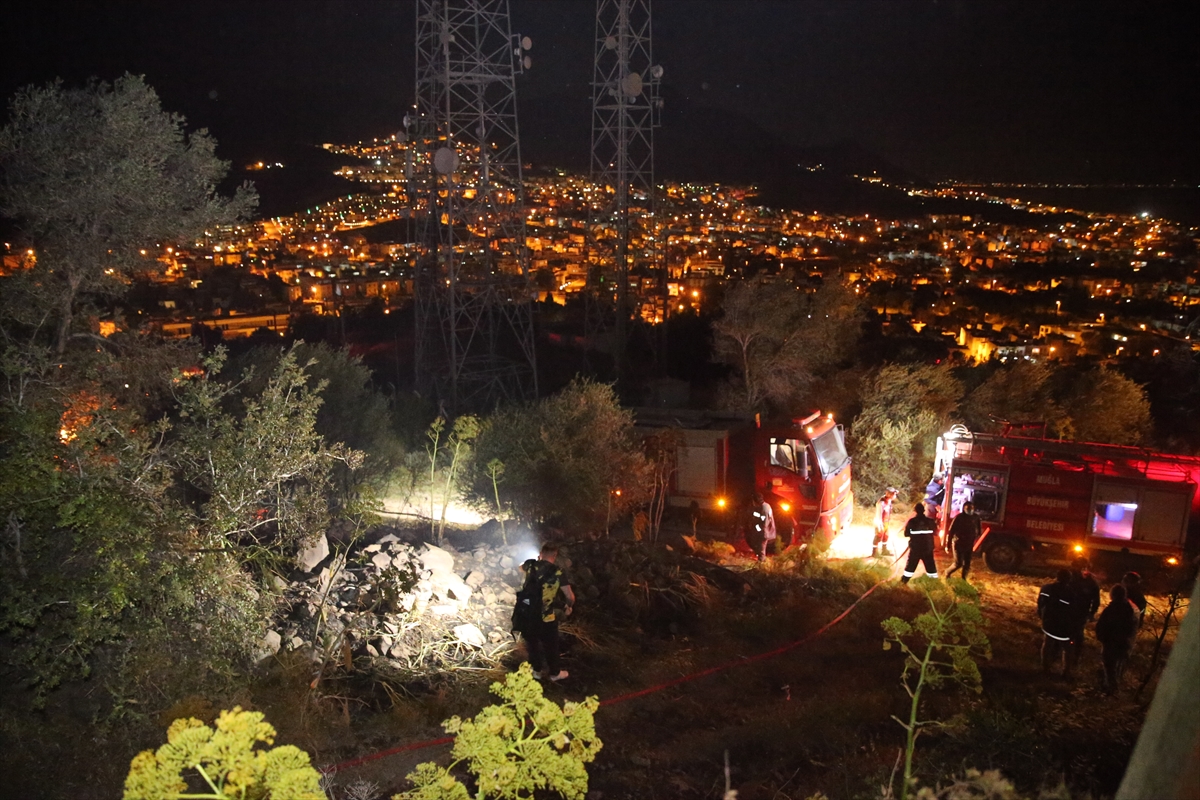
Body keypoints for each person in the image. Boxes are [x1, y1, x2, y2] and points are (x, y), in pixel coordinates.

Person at [515, 543, 575, 681]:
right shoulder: (558, 572)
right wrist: (568, 607)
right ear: (554, 555)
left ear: (541, 553)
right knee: (551, 645)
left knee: (533, 643)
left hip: (529, 614)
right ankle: (554, 673)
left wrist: (536, 560)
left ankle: (536, 671)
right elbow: (570, 596)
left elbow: (519, 567)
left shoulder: (530, 565)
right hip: (546, 615)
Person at [1095, 583, 1139, 693]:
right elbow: (1133, 626)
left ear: (1112, 595)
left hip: (1111, 642)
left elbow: (1101, 625)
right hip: (1125, 642)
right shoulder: (1131, 609)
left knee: (1109, 667)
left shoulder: (1111, 609)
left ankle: (1112, 689)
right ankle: (1114, 686)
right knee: (1119, 665)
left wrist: (1102, 637)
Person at [1066, 556, 1101, 676]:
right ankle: (1063, 656)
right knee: (1066, 633)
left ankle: (1075, 658)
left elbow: (1096, 600)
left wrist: (1091, 613)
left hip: (1081, 612)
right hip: (1068, 610)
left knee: (1078, 634)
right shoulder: (1070, 578)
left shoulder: (1091, 583)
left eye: (1083, 567)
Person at [1038, 569, 1076, 676]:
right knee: (1067, 648)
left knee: (1047, 644)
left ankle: (1045, 668)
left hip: (1048, 623)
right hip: (1063, 626)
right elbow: (1072, 612)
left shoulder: (1046, 589)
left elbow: (1040, 605)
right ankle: (1066, 671)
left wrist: (1043, 617)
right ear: (1069, 579)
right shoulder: (1070, 594)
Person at [900, 503, 939, 583]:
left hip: (915, 548)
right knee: (931, 567)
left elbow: (906, 534)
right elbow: (936, 533)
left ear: (915, 511)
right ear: (924, 510)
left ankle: (903, 582)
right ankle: (934, 584)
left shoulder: (912, 521)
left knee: (910, 567)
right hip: (927, 548)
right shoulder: (930, 521)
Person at [944, 501, 982, 580]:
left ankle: (963, 580)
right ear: (964, 509)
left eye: (971, 508)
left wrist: (976, 537)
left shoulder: (976, 517)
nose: (970, 510)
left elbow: (978, 530)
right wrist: (947, 545)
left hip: (969, 543)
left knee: (967, 564)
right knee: (958, 563)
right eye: (968, 508)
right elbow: (951, 531)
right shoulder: (959, 517)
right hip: (958, 543)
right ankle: (947, 572)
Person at [872, 487, 898, 558]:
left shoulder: (888, 501)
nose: (895, 495)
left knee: (886, 536)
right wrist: (879, 523)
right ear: (889, 494)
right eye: (893, 494)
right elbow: (879, 513)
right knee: (878, 536)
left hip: (886, 522)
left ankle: (884, 550)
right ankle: (874, 552)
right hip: (880, 522)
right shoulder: (881, 502)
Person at [751, 492, 776, 562]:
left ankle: (761, 567)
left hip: (763, 533)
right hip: (764, 532)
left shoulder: (764, 509)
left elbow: (764, 523)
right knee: (760, 550)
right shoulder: (765, 506)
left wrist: (755, 528)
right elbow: (761, 517)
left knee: (761, 551)